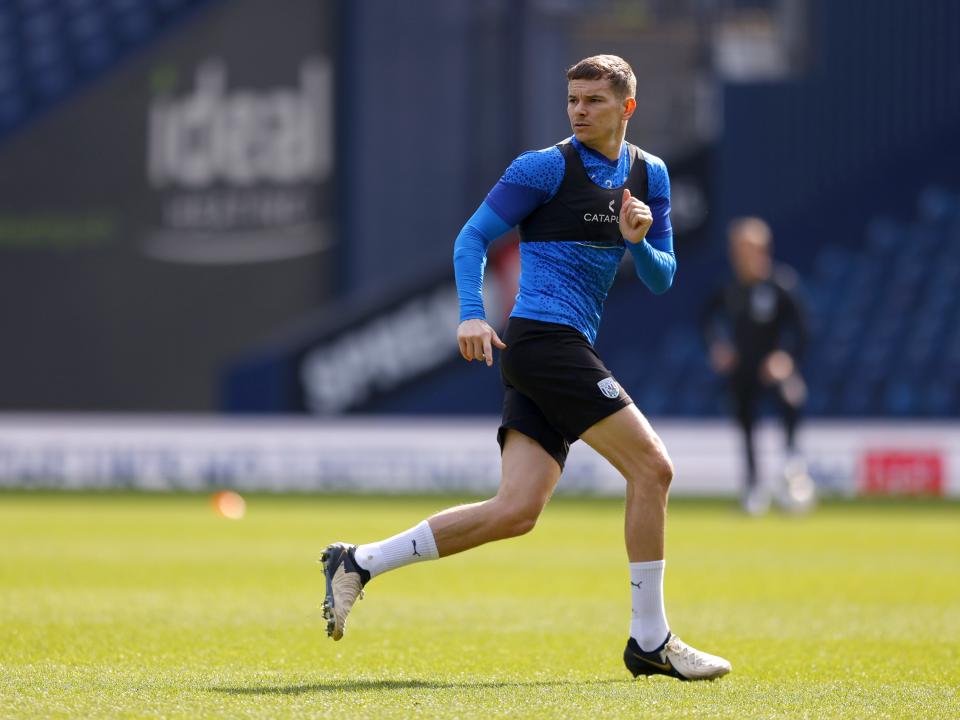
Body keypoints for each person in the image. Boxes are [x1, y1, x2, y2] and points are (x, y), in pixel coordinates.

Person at [320, 55, 731, 681]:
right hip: (544, 342)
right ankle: (651, 639)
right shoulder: (543, 167)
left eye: (594, 100)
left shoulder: (651, 175)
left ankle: (358, 562)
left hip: (554, 350)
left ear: (628, 107)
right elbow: (471, 239)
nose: (579, 110)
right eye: (572, 99)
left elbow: (661, 278)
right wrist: (469, 312)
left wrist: (637, 240)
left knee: (516, 511)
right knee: (653, 469)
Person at [701, 217, 811, 515]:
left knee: (791, 398)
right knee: (745, 421)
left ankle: (792, 468)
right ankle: (753, 485)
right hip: (743, 369)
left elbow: (802, 330)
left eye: (748, 248)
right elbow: (707, 320)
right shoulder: (729, 288)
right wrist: (718, 347)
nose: (741, 255)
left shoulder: (780, 285)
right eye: (737, 249)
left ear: (763, 250)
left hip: (772, 367)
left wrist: (786, 358)